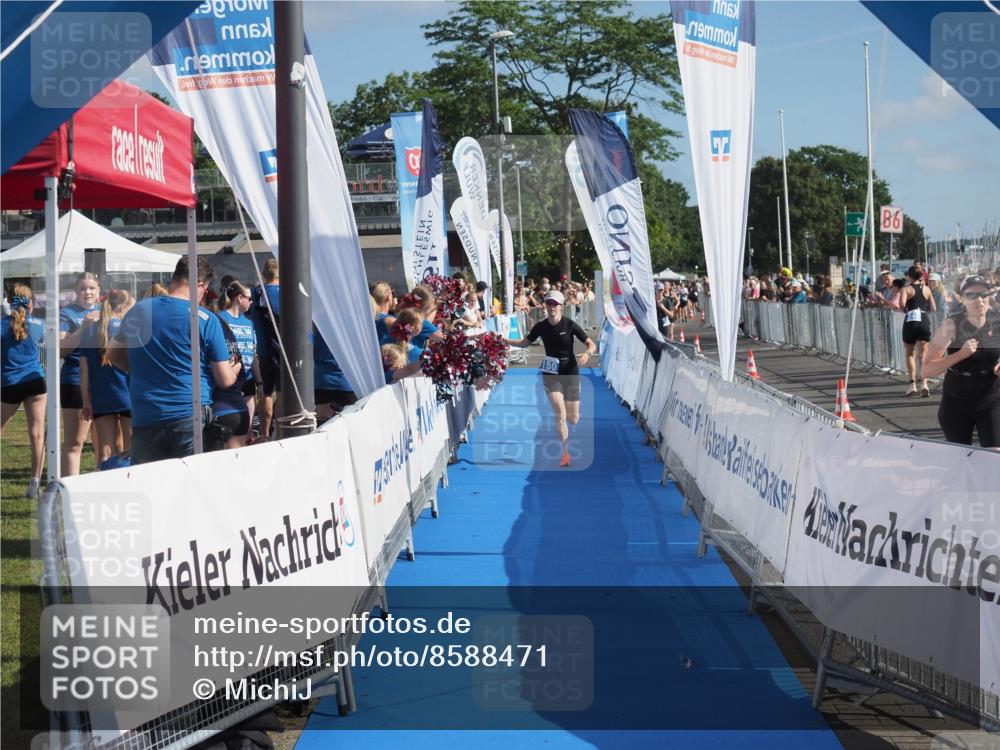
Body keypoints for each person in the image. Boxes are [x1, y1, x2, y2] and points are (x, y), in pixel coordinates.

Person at [110, 256, 239, 464]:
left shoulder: (139, 310)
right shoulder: (205, 318)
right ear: (199, 285)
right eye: (205, 290)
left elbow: (112, 353)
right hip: (190, 415)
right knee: (190, 486)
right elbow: (224, 379)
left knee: (151, 487)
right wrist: (234, 371)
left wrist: (141, 370)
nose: (204, 295)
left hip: (146, 415)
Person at [507, 290, 596, 467]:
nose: (552, 307)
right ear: (545, 306)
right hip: (550, 372)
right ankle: (565, 453)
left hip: (570, 370)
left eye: (555, 304)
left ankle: (570, 423)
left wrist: (587, 353)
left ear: (561, 306)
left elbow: (591, 344)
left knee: (574, 418)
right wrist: (503, 340)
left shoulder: (569, 325)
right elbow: (524, 343)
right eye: (549, 303)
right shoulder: (541, 327)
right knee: (560, 415)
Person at [921, 275, 1000, 447]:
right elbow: (927, 370)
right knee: (959, 457)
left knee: (995, 458)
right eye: (972, 295)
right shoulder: (952, 325)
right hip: (957, 401)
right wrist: (960, 354)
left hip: (991, 398)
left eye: (984, 294)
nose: (979, 300)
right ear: (961, 298)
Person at [1, 285, 47, 497]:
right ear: (31, 304)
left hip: (10, 383)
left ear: (8, 302)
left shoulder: (1, 326)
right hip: (35, 381)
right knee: (37, 435)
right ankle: (34, 485)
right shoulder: (39, 325)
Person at [79, 289, 133, 466]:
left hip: (102, 394)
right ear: (124, 306)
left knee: (104, 451)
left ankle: (104, 486)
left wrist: (86, 400)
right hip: (127, 392)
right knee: (133, 449)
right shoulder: (127, 329)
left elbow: (84, 369)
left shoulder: (88, 331)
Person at [58, 272, 101, 475]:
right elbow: (62, 349)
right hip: (74, 381)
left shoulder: (105, 311)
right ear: (76, 291)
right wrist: (84, 328)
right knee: (75, 443)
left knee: (104, 443)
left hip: (104, 382)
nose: (87, 292)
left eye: (91, 288)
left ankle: (103, 487)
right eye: (83, 288)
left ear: (98, 291)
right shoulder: (67, 313)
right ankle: (69, 495)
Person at [217, 282, 261, 446]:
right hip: (230, 377)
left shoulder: (249, 323)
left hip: (247, 378)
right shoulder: (221, 318)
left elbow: (253, 352)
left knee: (247, 426)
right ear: (239, 298)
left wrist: (259, 380)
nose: (251, 302)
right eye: (249, 298)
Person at [251, 258, 281, 439]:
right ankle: (282, 431)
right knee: (283, 393)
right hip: (286, 351)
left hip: (264, 351)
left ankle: (264, 434)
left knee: (267, 393)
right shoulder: (287, 292)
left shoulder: (256, 293)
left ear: (264, 274)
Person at [900, 265, 936, 397]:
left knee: (910, 353)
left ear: (909, 276)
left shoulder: (906, 289)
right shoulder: (926, 289)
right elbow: (933, 307)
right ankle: (924, 383)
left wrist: (906, 307)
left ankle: (912, 385)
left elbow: (902, 304)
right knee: (923, 355)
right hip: (924, 320)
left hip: (910, 321)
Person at [313, 326, 357, 422]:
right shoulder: (353, 324)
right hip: (346, 382)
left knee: (322, 423)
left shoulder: (319, 322)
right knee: (351, 422)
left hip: (322, 379)